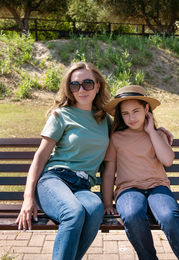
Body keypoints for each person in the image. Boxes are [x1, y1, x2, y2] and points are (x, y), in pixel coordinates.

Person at [16, 61, 112, 260]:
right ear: (69, 89)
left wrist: (159, 130)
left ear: (97, 86)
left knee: (95, 209)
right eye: (74, 85)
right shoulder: (61, 115)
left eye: (87, 83)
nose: (81, 89)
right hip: (54, 180)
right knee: (73, 212)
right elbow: (40, 156)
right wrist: (28, 198)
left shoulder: (105, 120)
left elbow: (133, 128)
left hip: (83, 186)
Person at [103, 85, 179, 260]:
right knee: (132, 215)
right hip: (128, 190)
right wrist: (108, 203)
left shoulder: (158, 135)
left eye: (136, 111)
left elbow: (168, 160)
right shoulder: (116, 138)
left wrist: (151, 132)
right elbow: (109, 172)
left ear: (146, 109)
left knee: (168, 215)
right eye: (125, 113)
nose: (131, 117)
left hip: (158, 187)